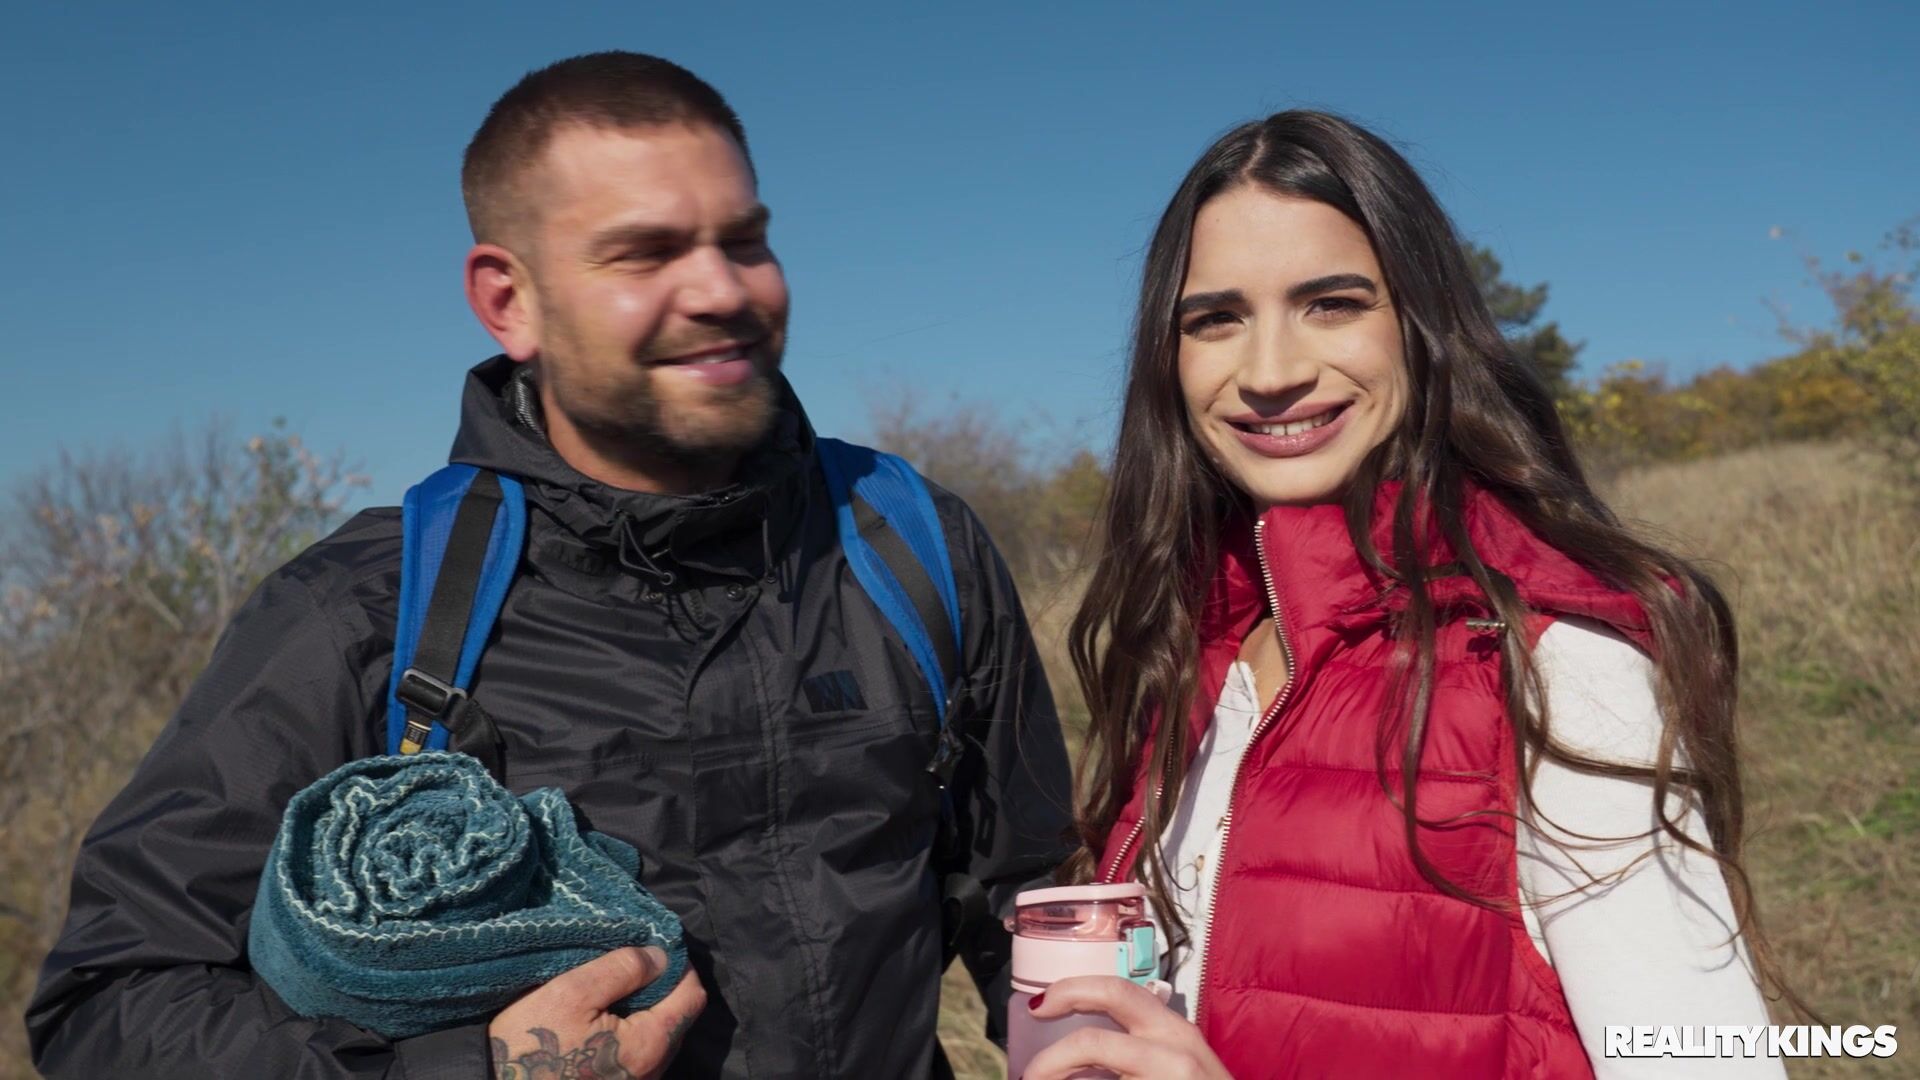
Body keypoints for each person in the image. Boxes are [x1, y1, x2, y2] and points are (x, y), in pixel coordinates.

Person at [26, 51, 1074, 1080]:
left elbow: (1030, 897)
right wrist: (471, 1073)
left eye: (745, 240)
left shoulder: (912, 547)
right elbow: (109, 1004)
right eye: (644, 253)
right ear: (509, 302)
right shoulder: (362, 612)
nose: (720, 288)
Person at [1019, 112, 1787, 1079]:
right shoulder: (1193, 654)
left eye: (1331, 304)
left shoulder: (1551, 664)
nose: (1270, 372)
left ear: (1423, 325)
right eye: (1216, 319)